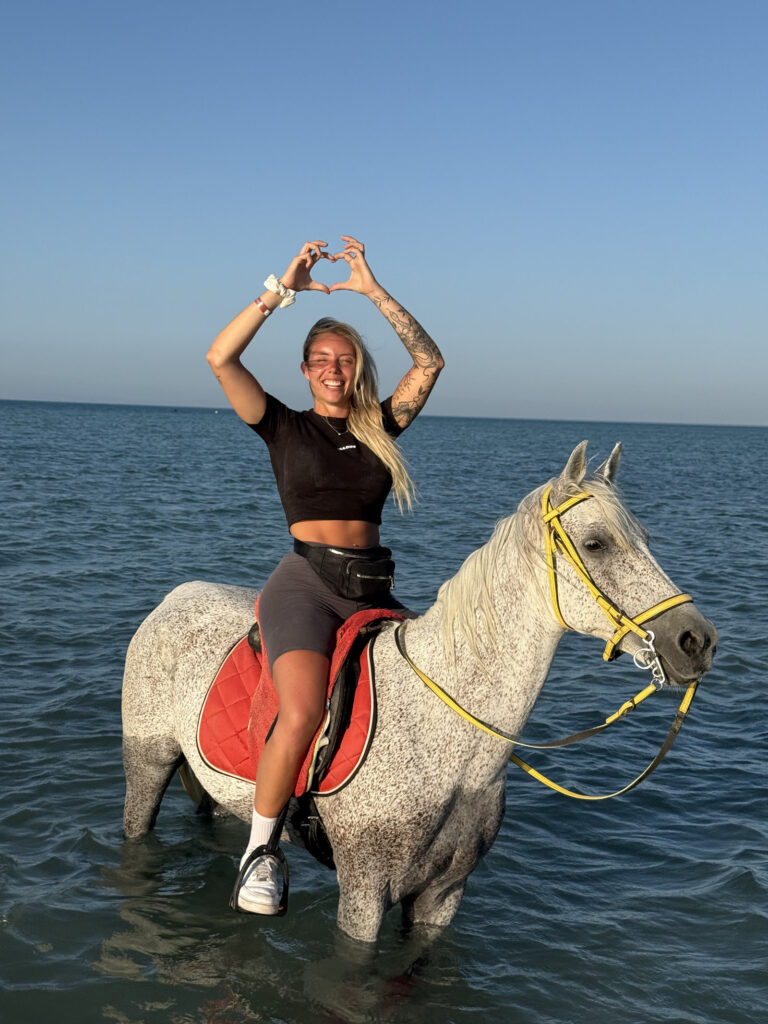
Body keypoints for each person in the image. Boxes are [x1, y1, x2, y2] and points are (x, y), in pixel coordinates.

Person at [206, 236, 444, 915]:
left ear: (357, 368)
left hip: (373, 588)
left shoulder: (380, 427)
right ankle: (260, 854)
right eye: (321, 361)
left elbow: (430, 361)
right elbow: (220, 356)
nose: (334, 369)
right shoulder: (282, 425)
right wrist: (281, 290)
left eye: (344, 360)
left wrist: (372, 289)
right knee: (304, 708)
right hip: (305, 587)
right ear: (306, 371)